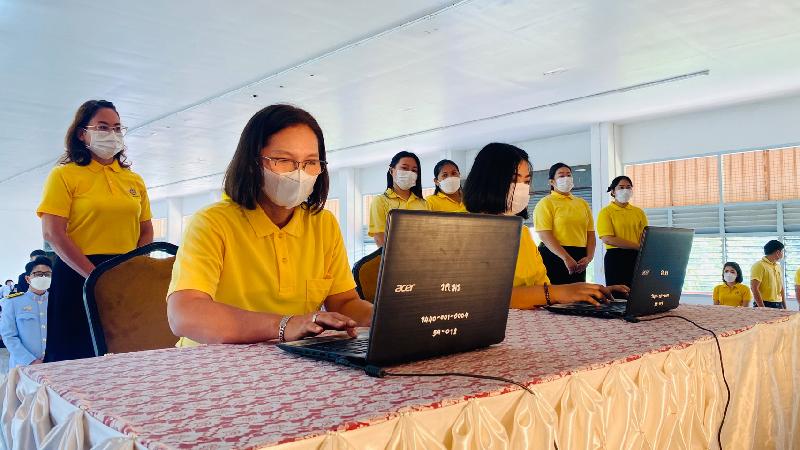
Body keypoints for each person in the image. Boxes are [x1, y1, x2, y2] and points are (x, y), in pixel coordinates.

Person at [167, 104, 373, 346]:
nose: (299, 173)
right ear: (252, 162)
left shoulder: (323, 224)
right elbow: (184, 313)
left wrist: (387, 319)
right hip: (213, 360)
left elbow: (344, 303)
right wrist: (286, 325)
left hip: (293, 359)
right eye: (283, 160)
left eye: (310, 162)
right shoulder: (212, 223)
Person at [37, 100, 153, 362]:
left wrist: (134, 268)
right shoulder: (65, 175)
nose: (112, 133)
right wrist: (95, 276)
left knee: (123, 351)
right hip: (78, 272)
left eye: (117, 128)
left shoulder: (133, 180)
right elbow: (53, 232)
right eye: (102, 127)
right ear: (82, 133)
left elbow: (146, 229)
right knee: (76, 357)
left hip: (124, 274)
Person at [463, 143, 628, 308]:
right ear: (486, 181)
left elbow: (542, 287)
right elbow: (484, 296)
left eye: (526, 181)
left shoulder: (522, 232)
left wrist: (588, 292)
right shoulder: (466, 233)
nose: (522, 188)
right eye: (514, 179)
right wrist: (560, 292)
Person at [533, 162, 595, 284]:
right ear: (552, 182)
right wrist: (565, 257)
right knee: (555, 293)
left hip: (579, 257)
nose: (566, 178)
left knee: (578, 293)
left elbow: (590, 233)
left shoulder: (582, 203)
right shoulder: (545, 203)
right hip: (554, 254)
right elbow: (544, 234)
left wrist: (589, 257)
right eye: (561, 175)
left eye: (569, 175)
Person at [0, 257, 52, 369]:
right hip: (23, 365)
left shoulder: (56, 301)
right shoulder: (13, 302)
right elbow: (9, 336)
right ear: (28, 279)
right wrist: (30, 361)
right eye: (38, 274)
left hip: (53, 364)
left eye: (47, 274)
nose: (43, 277)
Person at [596, 176, 648, 287]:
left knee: (638, 291)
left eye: (628, 187)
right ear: (613, 191)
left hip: (637, 256)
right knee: (619, 292)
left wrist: (642, 249)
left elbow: (645, 235)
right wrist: (637, 246)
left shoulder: (638, 212)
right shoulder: (606, 212)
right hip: (616, 257)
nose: (625, 190)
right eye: (621, 187)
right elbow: (608, 239)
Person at [368, 151, 428, 246]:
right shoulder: (380, 201)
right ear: (391, 171)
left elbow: (428, 236)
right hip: (393, 255)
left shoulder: (424, 203)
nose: (410, 173)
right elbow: (380, 240)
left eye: (414, 170)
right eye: (404, 168)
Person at [750, 240, 785, 309]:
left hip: (779, 303)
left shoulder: (777, 266)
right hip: (764, 303)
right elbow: (754, 288)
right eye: (782, 251)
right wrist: (763, 309)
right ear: (778, 252)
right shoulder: (759, 265)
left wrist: (785, 307)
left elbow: (781, 288)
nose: (783, 253)